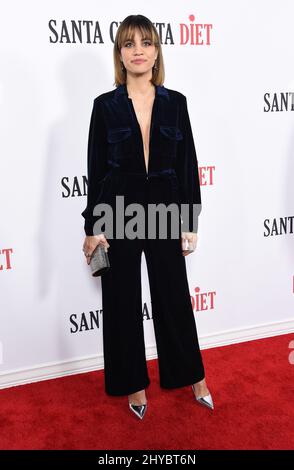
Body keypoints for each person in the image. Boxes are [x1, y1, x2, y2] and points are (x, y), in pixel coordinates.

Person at [81, 14, 214, 420]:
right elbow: (97, 170)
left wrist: (189, 220)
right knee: (121, 300)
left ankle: (193, 377)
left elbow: (188, 164)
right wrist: (93, 227)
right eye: (128, 43)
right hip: (119, 211)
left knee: (173, 297)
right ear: (120, 54)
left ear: (157, 52)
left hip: (165, 211)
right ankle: (133, 384)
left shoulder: (177, 103)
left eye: (146, 42)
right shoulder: (104, 106)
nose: (138, 50)